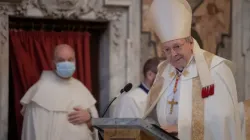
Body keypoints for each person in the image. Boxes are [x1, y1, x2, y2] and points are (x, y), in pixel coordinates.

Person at [143, 0, 245, 140]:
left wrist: (182, 129)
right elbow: (151, 115)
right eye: (167, 49)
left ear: (190, 42)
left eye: (177, 46)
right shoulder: (164, 71)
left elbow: (224, 119)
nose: (173, 54)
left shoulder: (216, 69)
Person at [20, 44, 98, 140]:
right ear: (53, 63)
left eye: (70, 60)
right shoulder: (39, 91)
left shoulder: (81, 88)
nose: (66, 63)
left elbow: (95, 128)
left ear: (75, 62)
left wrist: (89, 118)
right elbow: (33, 132)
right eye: (61, 60)